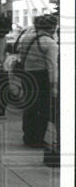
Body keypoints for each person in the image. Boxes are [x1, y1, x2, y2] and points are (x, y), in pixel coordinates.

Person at [15, 14, 59, 148]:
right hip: (42, 77)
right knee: (43, 109)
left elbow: (21, 56)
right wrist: (54, 86)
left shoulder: (26, 38)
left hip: (27, 76)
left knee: (30, 107)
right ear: (52, 27)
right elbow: (52, 66)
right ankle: (38, 138)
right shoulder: (50, 43)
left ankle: (28, 136)